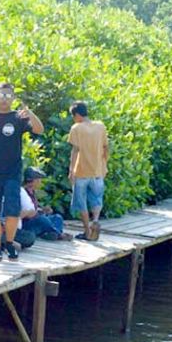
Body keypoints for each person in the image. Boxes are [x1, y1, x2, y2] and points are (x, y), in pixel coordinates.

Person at [0, 83, 44, 262]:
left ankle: (10, 244)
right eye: (1, 95)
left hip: (12, 174)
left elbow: (39, 130)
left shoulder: (18, 118)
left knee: (12, 212)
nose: (4, 99)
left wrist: (30, 114)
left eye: (8, 96)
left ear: (13, 98)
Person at [68, 101, 109, 241]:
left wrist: (71, 170)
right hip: (97, 171)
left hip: (81, 171)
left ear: (77, 115)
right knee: (97, 199)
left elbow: (75, 150)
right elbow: (105, 148)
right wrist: (105, 165)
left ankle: (87, 232)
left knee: (81, 202)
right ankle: (95, 220)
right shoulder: (100, 126)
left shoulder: (76, 128)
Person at [22, 167, 72, 241]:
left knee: (57, 217)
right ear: (32, 180)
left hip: (36, 219)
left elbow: (34, 209)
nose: (40, 182)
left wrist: (42, 210)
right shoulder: (23, 193)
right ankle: (58, 234)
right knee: (42, 219)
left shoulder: (33, 192)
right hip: (27, 223)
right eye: (38, 180)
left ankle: (51, 234)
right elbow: (27, 211)